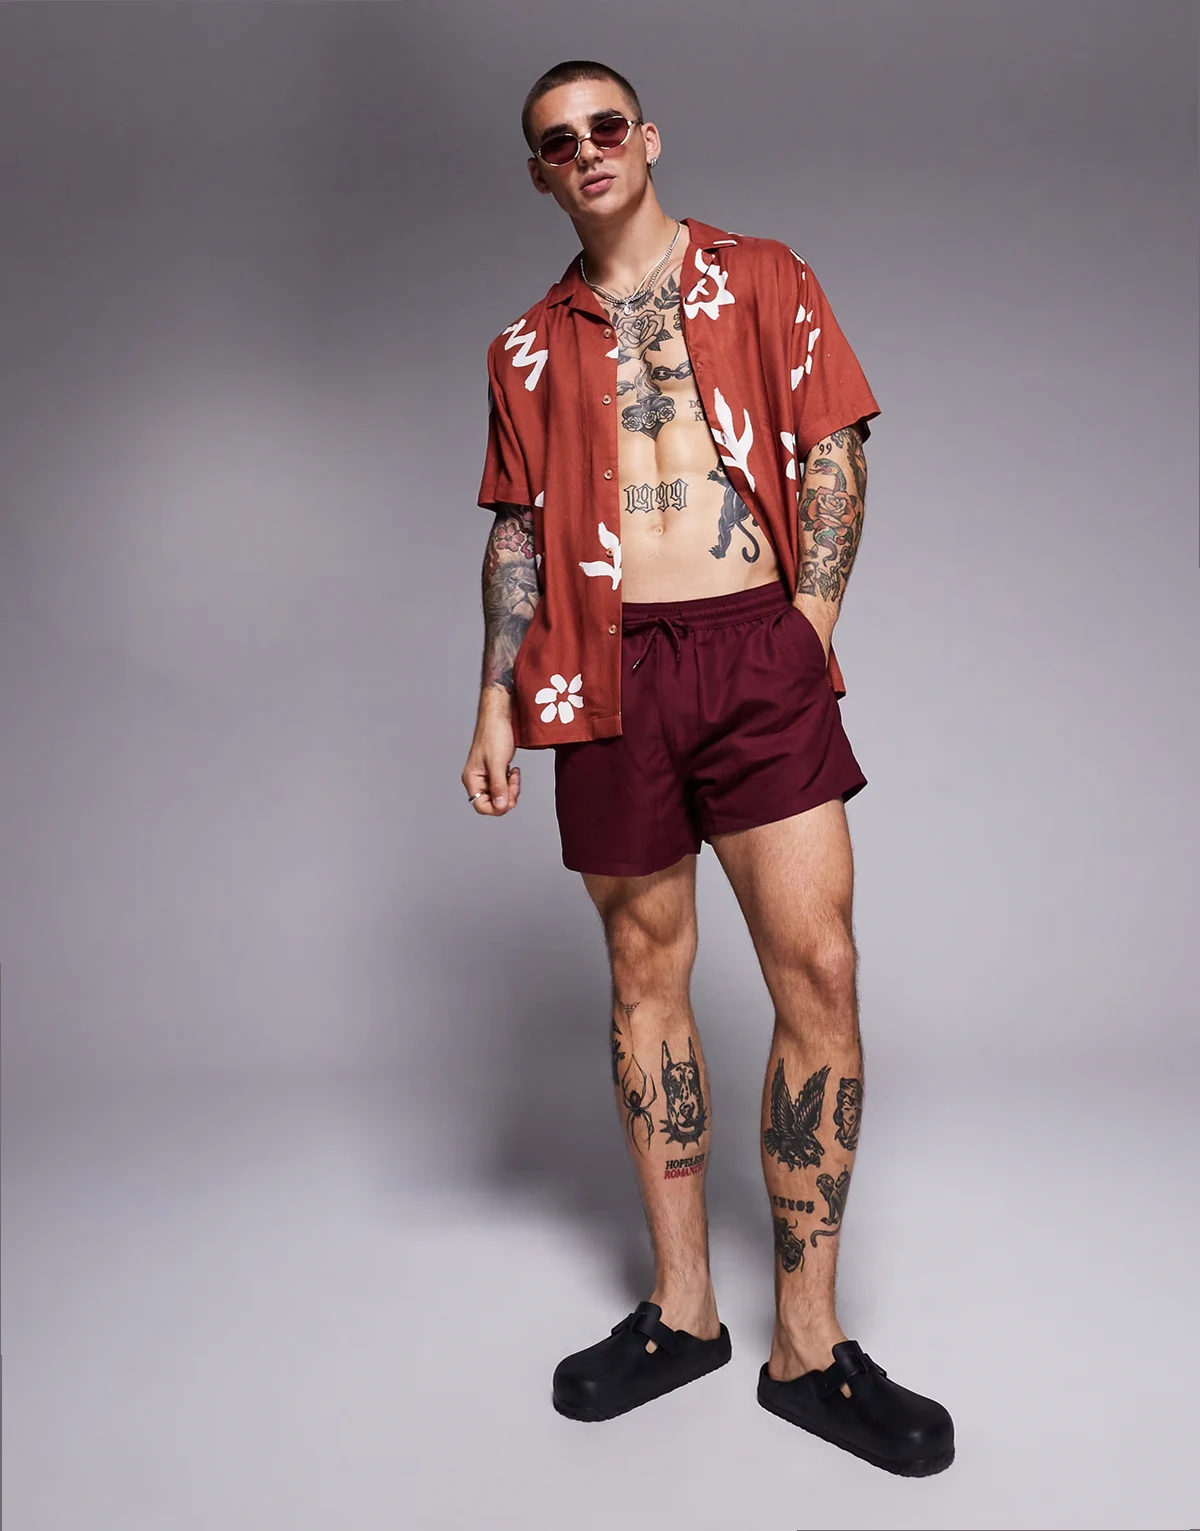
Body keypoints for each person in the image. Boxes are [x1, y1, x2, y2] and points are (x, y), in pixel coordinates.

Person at [460, 59, 954, 1477]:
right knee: (644, 973)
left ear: (648, 138)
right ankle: (683, 1313)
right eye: (560, 141)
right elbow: (515, 532)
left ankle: (810, 1343)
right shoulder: (524, 349)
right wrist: (493, 697)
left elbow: (834, 445)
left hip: (752, 648)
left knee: (820, 970)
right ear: (541, 172)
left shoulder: (764, 277)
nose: (588, 150)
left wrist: (810, 626)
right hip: (602, 668)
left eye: (607, 126)